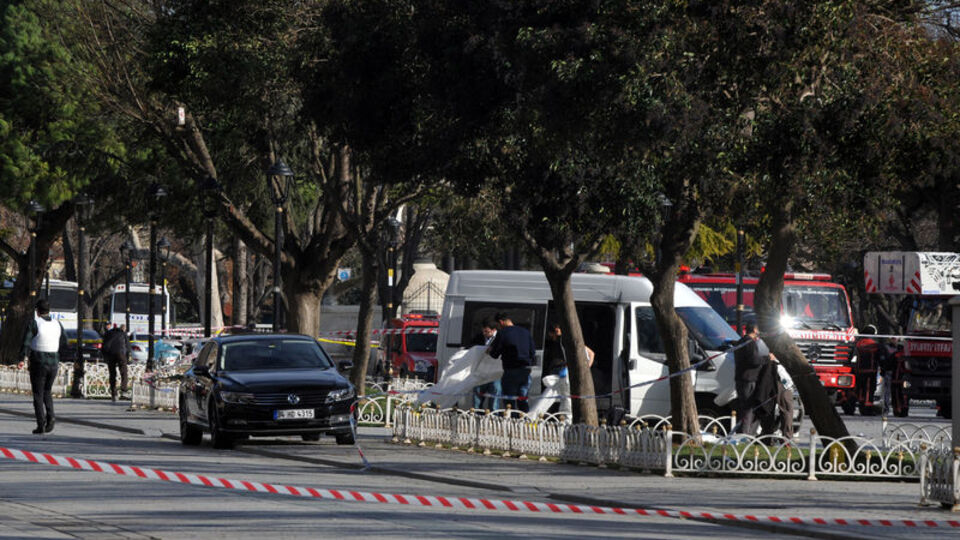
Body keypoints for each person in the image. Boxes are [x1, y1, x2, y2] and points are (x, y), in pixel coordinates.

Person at [19, 299, 68, 434]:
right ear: (49, 310)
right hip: (53, 362)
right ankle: (51, 417)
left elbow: (27, 341)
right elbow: (65, 341)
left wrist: (21, 358)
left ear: (37, 311)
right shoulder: (57, 324)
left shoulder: (36, 323)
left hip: (38, 361)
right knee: (47, 391)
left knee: (38, 394)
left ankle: (41, 424)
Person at [487, 312, 536, 414]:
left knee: (510, 401)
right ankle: (525, 422)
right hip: (525, 371)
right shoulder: (525, 332)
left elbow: (495, 354)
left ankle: (513, 425)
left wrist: (489, 350)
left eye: (498, 325)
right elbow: (532, 352)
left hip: (511, 371)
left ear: (501, 322)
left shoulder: (503, 333)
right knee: (523, 399)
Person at [733, 322, 764, 435]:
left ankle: (743, 432)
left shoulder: (741, 341)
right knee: (748, 408)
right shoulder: (750, 343)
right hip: (749, 379)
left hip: (741, 378)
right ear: (755, 330)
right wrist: (766, 358)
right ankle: (745, 434)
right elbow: (754, 360)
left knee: (743, 407)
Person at [757, 353, 794, 440]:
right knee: (769, 408)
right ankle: (768, 436)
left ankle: (786, 438)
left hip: (781, 377)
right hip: (771, 374)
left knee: (785, 409)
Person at [471, 319, 501, 411]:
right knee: (477, 395)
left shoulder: (500, 338)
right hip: (481, 371)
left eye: (487, 331)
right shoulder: (479, 337)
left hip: (495, 372)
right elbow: (471, 347)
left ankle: (493, 416)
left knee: (495, 393)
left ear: (494, 330)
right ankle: (476, 414)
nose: (484, 333)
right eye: (483, 331)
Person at [101, 324, 131, 402]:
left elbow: (103, 345)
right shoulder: (122, 333)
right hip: (121, 353)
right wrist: (128, 358)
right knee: (124, 372)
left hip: (110, 354)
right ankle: (124, 390)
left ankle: (114, 393)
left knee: (112, 374)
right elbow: (127, 346)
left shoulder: (108, 333)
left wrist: (105, 357)